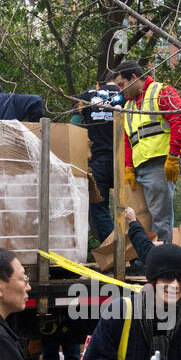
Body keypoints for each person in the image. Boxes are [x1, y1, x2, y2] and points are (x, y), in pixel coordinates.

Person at [113, 60, 181, 243]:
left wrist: (172, 156)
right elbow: (129, 141)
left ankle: (163, 261)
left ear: (133, 77)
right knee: (141, 218)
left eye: (122, 85)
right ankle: (149, 258)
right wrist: (129, 167)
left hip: (159, 163)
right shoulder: (129, 106)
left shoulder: (161, 92)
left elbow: (180, 120)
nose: (120, 90)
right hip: (139, 169)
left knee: (160, 218)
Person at [71, 81, 122, 242]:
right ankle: (135, 256)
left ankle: (112, 249)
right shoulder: (127, 95)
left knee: (99, 207)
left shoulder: (85, 97)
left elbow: (74, 125)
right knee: (129, 207)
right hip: (124, 160)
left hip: (97, 160)